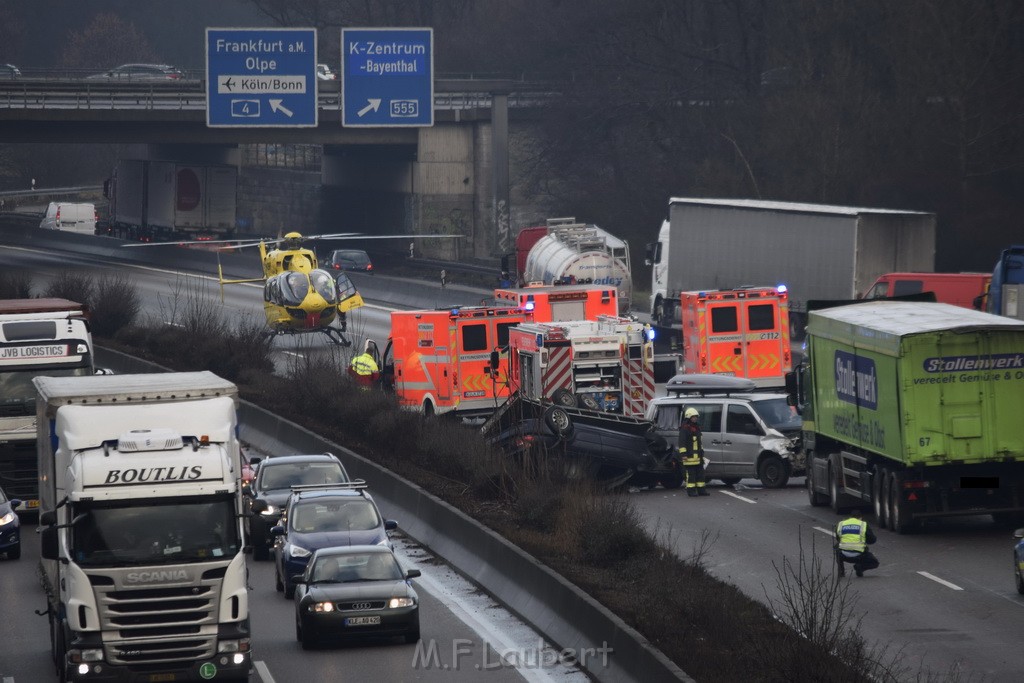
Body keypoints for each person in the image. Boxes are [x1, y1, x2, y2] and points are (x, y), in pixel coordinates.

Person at [834, 510, 880, 577]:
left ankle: (841, 571)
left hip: (843, 555)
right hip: (859, 556)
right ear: (860, 518)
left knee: (837, 547)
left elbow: (838, 538)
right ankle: (860, 567)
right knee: (875, 562)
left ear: (850, 517)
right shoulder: (863, 524)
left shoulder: (841, 524)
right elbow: (872, 540)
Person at [678, 407, 708, 497]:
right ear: (689, 417)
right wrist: (683, 454)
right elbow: (682, 443)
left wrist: (702, 453)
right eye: (693, 417)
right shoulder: (684, 428)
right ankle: (691, 491)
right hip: (689, 457)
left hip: (698, 456)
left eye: (696, 417)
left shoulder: (697, 427)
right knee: (691, 475)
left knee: (700, 475)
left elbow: (699, 443)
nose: (695, 418)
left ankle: (701, 491)